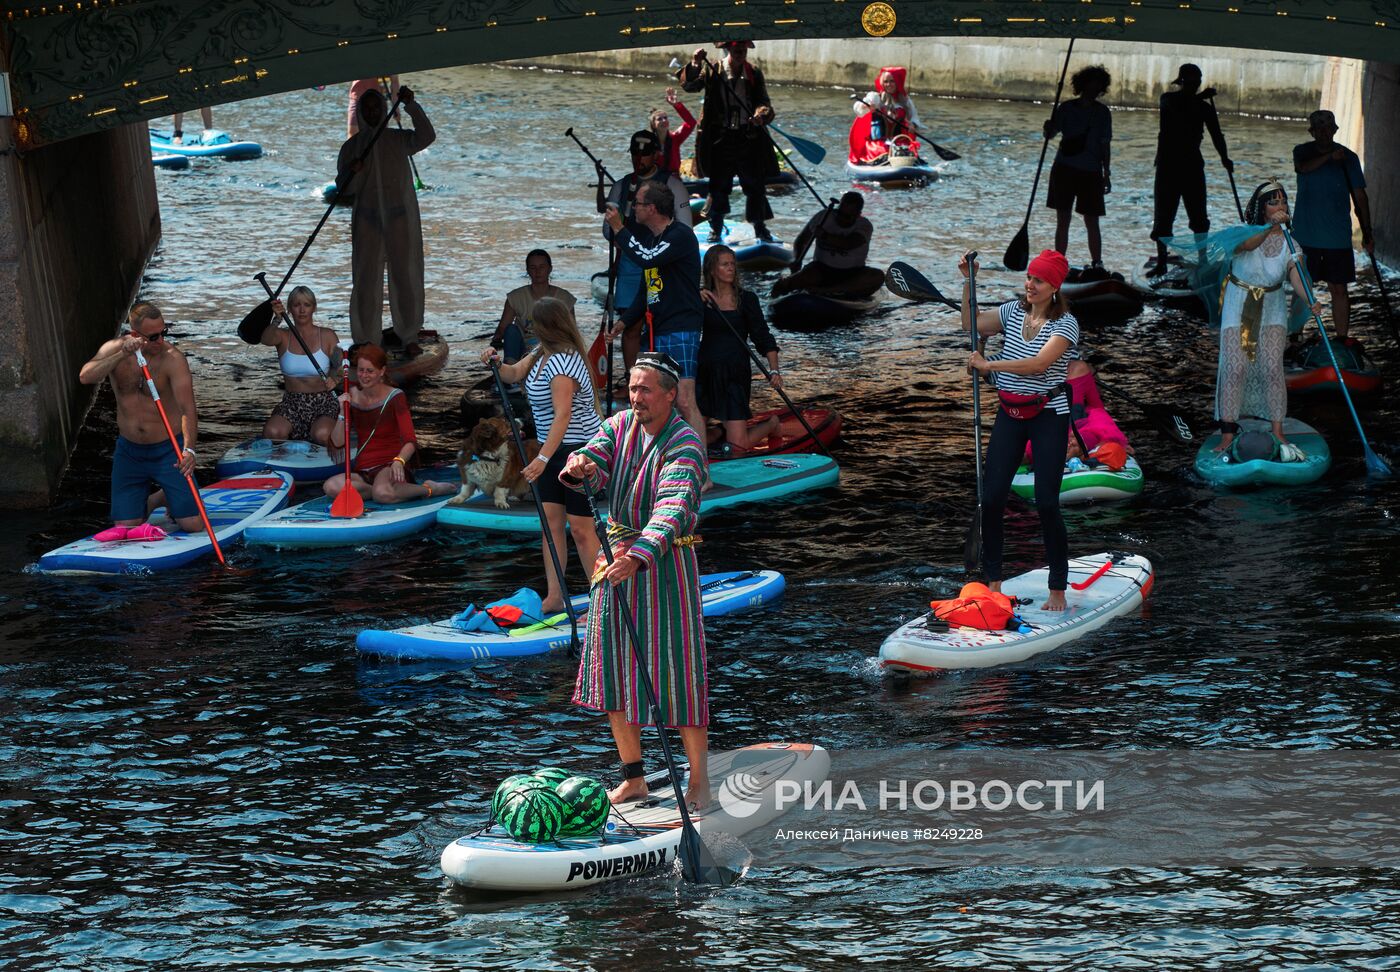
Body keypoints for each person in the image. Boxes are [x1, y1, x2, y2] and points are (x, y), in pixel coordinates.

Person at [560, 352, 709, 808]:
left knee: (677, 670)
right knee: (612, 668)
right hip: (615, 560)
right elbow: (594, 458)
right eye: (632, 387)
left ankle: (699, 780)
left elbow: (674, 506)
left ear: (670, 395)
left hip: (664, 567)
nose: (635, 396)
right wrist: (580, 465)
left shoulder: (685, 443)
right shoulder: (620, 424)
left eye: (645, 389)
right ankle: (634, 777)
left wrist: (640, 555)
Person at [961, 249, 1080, 612]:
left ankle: (1057, 587)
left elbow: (1040, 364)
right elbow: (970, 325)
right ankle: (994, 581)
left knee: (1046, 503)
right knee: (993, 499)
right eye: (1029, 277)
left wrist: (988, 364)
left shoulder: (1066, 324)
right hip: (1010, 414)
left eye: (1038, 280)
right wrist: (969, 282)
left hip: (1048, 416)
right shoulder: (1012, 312)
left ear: (1054, 286)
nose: (1029, 284)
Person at [1172, 181, 1321, 459]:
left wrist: (1310, 298)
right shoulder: (1243, 232)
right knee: (1235, 368)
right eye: (1273, 202)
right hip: (1239, 304)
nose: (1280, 207)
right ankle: (1228, 433)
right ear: (1262, 208)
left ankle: (1277, 430)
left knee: (1272, 369)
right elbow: (1246, 245)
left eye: (1283, 201)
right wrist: (1268, 229)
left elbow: (1295, 272)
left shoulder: (1291, 241)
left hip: (1273, 307)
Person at [480, 298, 603, 614]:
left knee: (580, 528)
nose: (528, 328)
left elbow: (562, 416)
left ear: (546, 326)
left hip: (580, 452)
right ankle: (554, 595)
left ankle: (603, 598)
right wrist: (494, 361)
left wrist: (542, 459)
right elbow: (511, 373)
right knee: (550, 523)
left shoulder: (565, 363)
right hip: (553, 449)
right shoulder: (539, 354)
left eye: (532, 323)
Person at [78, 301, 203, 540]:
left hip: (169, 450)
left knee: (192, 525)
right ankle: (155, 498)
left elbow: (187, 408)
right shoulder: (115, 349)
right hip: (130, 451)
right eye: (153, 336)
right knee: (127, 526)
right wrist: (121, 354)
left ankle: (164, 496)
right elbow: (86, 376)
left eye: (163, 332)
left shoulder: (172, 358)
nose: (161, 340)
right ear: (135, 334)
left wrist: (189, 450)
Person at [605, 181, 707, 448]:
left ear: (651, 208)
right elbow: (646, 290)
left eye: (636, 203)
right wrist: (624, 322)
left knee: (684, 400)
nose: (633, 208)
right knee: (661, 401)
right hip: (659, 328)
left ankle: (702, 471)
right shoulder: (653, 240)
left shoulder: (680, 236)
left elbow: (647, 258)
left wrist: (619, 228)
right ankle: (667, 458)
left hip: (681, 326)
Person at [337, 85, 435, 355]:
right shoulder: (351, 148)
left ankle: (409, 335)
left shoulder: (398, 139)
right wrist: (352, 171)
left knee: (406, 276)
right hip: (367, 221)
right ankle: (367, 339)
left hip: (400, 218)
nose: (371, 112)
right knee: (366, 280)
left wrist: (410, 105)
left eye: (376, 107)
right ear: (360, 113)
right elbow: (343, 190)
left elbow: (427, 136)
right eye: (366, 108)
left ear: (383, 110)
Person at [677, 40, 778, 244]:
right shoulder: (713, 69)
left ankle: (760, 227)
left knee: (755, 185)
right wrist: (696, 64)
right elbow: (690, 86)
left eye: (743, 50)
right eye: (736, 50)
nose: (740, 53)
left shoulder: (754, 72)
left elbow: (764, 102)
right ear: (729, 49)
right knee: (719, 186)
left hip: (747, 137)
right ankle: (715, 228)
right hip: (720, 139)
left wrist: (760, 114)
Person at [323, 345, 450, 503]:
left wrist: (399, 461)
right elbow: (337, 442)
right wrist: (342, 412)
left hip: (390, 465)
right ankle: (380, 492)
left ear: (382, 371)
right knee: (331, 486)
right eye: (361, 370)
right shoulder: (351, 396)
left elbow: (410, 440)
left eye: (370, 371)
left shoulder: (396, 396)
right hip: (364, 470)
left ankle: (430, 488)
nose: (364, 375)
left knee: (382, 491)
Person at [597, 130, 693, 338]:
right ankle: (630, 370)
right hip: (630, 263)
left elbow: (685, 227)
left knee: (659, 322)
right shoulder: (621, 186)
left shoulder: (674, 185)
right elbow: (608, 230)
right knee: (630, 326)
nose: (639, 159)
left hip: (665, 260)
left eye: (645, 154)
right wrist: (624, 242)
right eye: (634, 154)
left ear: (656, 154)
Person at [1292, 109, 1374, 341]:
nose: (1324, 132)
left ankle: (1341, 339)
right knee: (1302, 291)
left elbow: (1360, 197)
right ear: (1312, 132)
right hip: (1305, 237)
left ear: (1335, 130)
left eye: (1328, 128)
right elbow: (1303, 168)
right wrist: (1329, 158)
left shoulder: (1349, 158)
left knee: (1339, 289)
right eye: (1319, 128)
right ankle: (1294, 337)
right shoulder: (1302, 152)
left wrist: (1367, 232)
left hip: (1337, 238)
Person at [1147, 64, 1233, 277]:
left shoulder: (1204, 108)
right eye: (1191, 82)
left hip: (1193, 165)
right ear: (1182, 82)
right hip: (1168, 166)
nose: (1194, 86)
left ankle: (1203, 260)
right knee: (1163, 217)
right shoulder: (1168, 99)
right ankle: (1162, 262)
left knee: (1199, 217)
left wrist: (1225, 157)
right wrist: (1201, 97)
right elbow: (1178, 107)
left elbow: (1216, 134)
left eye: (1197, 82)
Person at [697, 245, 782, 452]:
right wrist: (694, 295)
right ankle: (720, 431)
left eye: (733, 264)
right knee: (694, 443)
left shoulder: (746, 299)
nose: (731, 268)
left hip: (734, 375)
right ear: (711, 269)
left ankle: (772, 424)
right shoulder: (701, 299)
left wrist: (774, 370)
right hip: (705, 373)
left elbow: (763, 336)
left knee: (738, 446)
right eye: (725, 264)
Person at [1044, 65, 1112, 274]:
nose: (1095, 87)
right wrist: (1048, 127)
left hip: (1091, 171)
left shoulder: (1103, 113)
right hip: (1064, 169)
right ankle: (1059, 261)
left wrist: (1106, 173)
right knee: (1063, 218)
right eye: (1092, 82)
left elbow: (1105, 145)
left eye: (1098, 84)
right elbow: (1051, 134)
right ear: (1082, 85)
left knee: (1092, 220)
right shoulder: (1066, 108)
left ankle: (1097, 263)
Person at [255, 286, 342, 445]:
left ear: (314, 308)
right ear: (289, 309)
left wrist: (334, 379)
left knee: (322, 434)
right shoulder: (282, 335)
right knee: (272, 432)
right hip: (292, 402)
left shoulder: (328, 335)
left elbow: (341, 366)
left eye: (307, 305)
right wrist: (277, 319)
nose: (302, 310)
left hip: (323, 402)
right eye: (296, 305)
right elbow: (265, 339)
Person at [771, 192, 883, 298]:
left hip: (852, 273)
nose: (841, 219)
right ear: (837, 208)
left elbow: (848, 243)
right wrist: (797, 259)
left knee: (878, 276)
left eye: (847, 217)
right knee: (781, 285)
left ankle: (829, 290)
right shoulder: (823, 217)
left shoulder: (864, 225)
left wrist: (824, 235)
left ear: (858, 215)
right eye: (840, 213)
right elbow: (802, 240)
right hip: (820, 269)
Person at [490, 250, 578, 364]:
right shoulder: (515, 297)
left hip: (553, 348)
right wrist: (493, 346)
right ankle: (511, 367)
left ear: (550, 269)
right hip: (523, 350)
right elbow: (502, 329)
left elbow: (572, 332)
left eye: (542, 267)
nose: (538, 271)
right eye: (533, 267)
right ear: (527, 271)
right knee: (511, 330)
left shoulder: (565, 298)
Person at [849, 66, 923, 165]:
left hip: (899, 143)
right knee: (885, 153)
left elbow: (914, 118)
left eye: (892, 81)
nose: (889, 84)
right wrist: (866, 107)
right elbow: (857, 109)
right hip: (878, 144)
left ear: (898, 82)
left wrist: (912, 125)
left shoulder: (905, 101)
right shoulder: (875, 97)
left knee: (905, 153)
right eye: (886, 81)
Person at [652, 88, 697, 177]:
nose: (664, 120)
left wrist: (676, 105)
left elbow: (691, 123)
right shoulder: (648, 142)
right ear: (653, 125)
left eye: (665, 118)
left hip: (675, 180)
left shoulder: (675, 138)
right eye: (659, 119)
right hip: (656, 182)